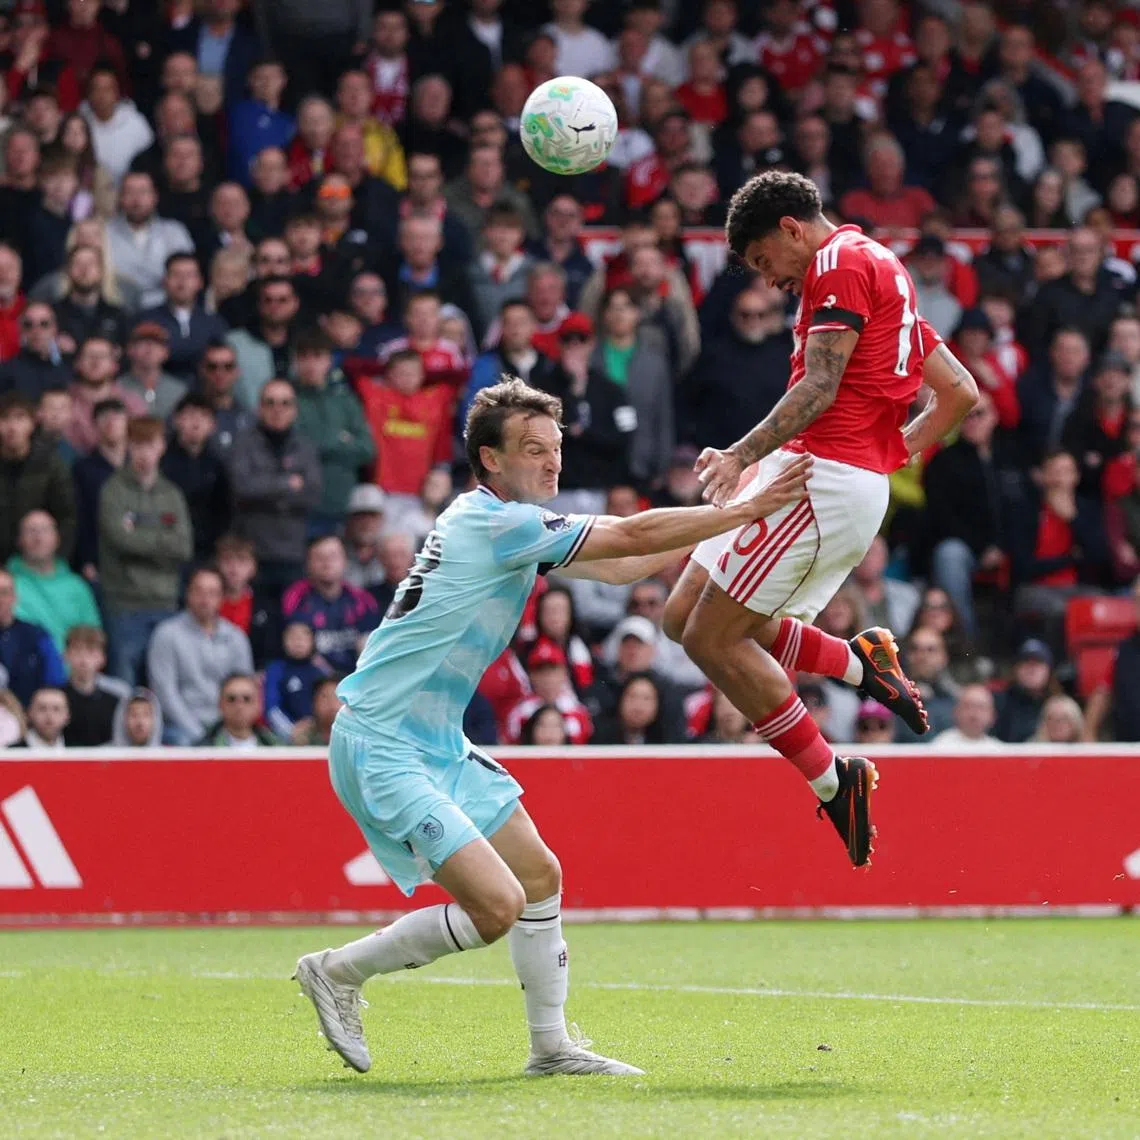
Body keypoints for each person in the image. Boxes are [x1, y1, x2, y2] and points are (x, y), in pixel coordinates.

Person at [292, 377, 810, 1077]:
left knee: (539, 875)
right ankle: (338, 971)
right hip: (383, 741)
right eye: (533, 449)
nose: (552, 463)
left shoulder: (506, 526)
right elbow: (629, 534)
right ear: (490, 459)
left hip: (433, 742)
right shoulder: (494, 524)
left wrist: (726, 529)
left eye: (556, 449)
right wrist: (745, 509)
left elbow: (625, 563)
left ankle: (550, 1048)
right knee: (498, 906)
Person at [660, 171, 978, 867]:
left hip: (821, 478)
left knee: (715, 638)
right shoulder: (878, 271)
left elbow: (822, 383)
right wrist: (888, 457)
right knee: (680, 618)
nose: (769, 281)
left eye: (763, 262)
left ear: (789, 229)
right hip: (824, 469)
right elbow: (960, 393)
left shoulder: (838, 266)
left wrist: (745, 455)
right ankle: (857, 662)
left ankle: (837, 781)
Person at [98, 416, 193, 685]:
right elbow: (119, 540)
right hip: (124, 603)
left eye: (150, 445)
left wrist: (138, 535)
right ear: (128, 447)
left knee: (165, 684)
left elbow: (183, 547)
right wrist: (162, 540)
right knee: (124, 682)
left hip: (166, 601)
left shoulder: (172, 495)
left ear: (162, 447)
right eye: (137, 445)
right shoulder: (113, 490)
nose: (144, 453)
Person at [227, 378, 322, 598]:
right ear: (259, 408)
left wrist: (265, 490)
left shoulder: (305, 447)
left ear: (295, 410)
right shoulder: (243, 444)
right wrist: (287, 484)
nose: (277, 410)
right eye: (270, 403)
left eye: (285, 403)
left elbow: (313, 494)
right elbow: (242, 487)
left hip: (293, 552)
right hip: (253, 552)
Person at [281, 536, 379, 674]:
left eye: (333, 556)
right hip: (311, 677)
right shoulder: (296, 596)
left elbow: (373, 646)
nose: (327, 563)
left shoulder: (362, 599)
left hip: (356, 677)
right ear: (308, 563)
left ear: (345, 561)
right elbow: (295, 645)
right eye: (319, 557)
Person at [7, 509, 99, 653]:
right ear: (19, 540)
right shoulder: (7, 585)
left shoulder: (77, 587)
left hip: (72, 673)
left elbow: (93, 640)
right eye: (31, 531)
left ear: (57, 538)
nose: (38, 538)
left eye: (45, 530)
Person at [0, 392, 76, 565]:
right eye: (5, 419)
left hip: (40, 562)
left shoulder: (50, 464)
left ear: (32, 424)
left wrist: (57, 560)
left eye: (20, 418)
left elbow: (66, 517)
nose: (12, 427)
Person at [0, 567, 67, 709]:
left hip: (32, 721)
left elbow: (55, 683)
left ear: (15, 597)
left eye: (4, 592)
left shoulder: (37, 636)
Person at [61, 625, 129, 748]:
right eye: (77, 650)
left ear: (102, 658)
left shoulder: (119, 694)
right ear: (66, 655)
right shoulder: (56, 696)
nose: (83, 658)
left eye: (90, 652)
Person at [197, 671, 280, 748]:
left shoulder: (277, 746)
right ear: (220, 704)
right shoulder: (201, 749)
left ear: (259, 704)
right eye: (231, 699)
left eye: (247, 699)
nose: (239, 706)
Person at [929, 684, 1003, 751]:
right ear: (956, 712)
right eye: (968, 707)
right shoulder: (939, 747)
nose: (974, 714)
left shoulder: (1000, 751)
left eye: (981, 707)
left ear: (992, 715)